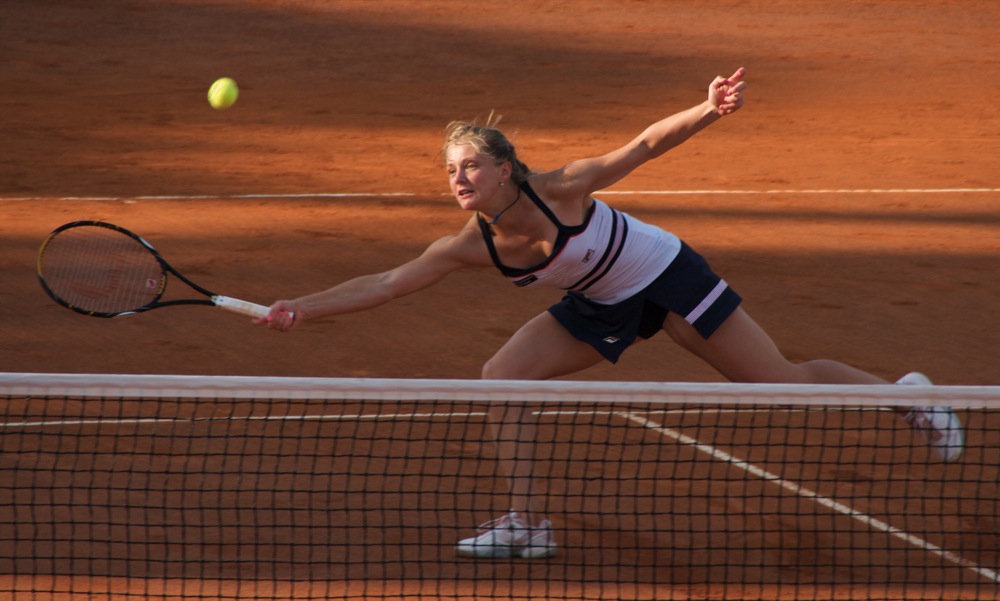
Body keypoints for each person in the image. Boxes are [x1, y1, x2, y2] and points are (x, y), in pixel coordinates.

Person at [256, 68, 964, 559]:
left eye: (470, 164)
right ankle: (529, 524)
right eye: (449, 169)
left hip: (666, 275)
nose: (458, 179)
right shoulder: (466, 247)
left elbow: (645, 144)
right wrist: (299, 309)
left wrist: (708, 109)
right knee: (500, 379)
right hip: (600, 302)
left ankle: (906, 398)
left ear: (505, 168)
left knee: (777, 381)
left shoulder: (562, 189)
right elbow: (385, 282)